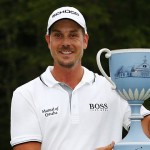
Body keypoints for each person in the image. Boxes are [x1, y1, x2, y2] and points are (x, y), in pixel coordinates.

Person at [10, 6, 150, 150]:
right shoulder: (26, 94)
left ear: (85, 40)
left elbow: (145, 127)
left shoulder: (113, 86)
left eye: (73, 35)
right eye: (58, 35)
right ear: (48, 41)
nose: (65, 43)